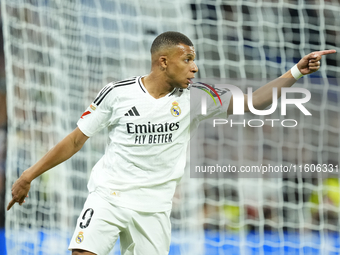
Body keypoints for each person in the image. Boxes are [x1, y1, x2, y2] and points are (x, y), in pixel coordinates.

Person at [7, 31, 335, 255]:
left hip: (155, 209)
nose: (195, 67)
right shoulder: (118, 93)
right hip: (109, 197)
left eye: (195, 60)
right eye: (187, 59)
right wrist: (27, 176)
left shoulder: (198, 97)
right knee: (82, 251)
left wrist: (295, 72)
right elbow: (76, 139)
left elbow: (252, 102)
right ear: (163, 61)